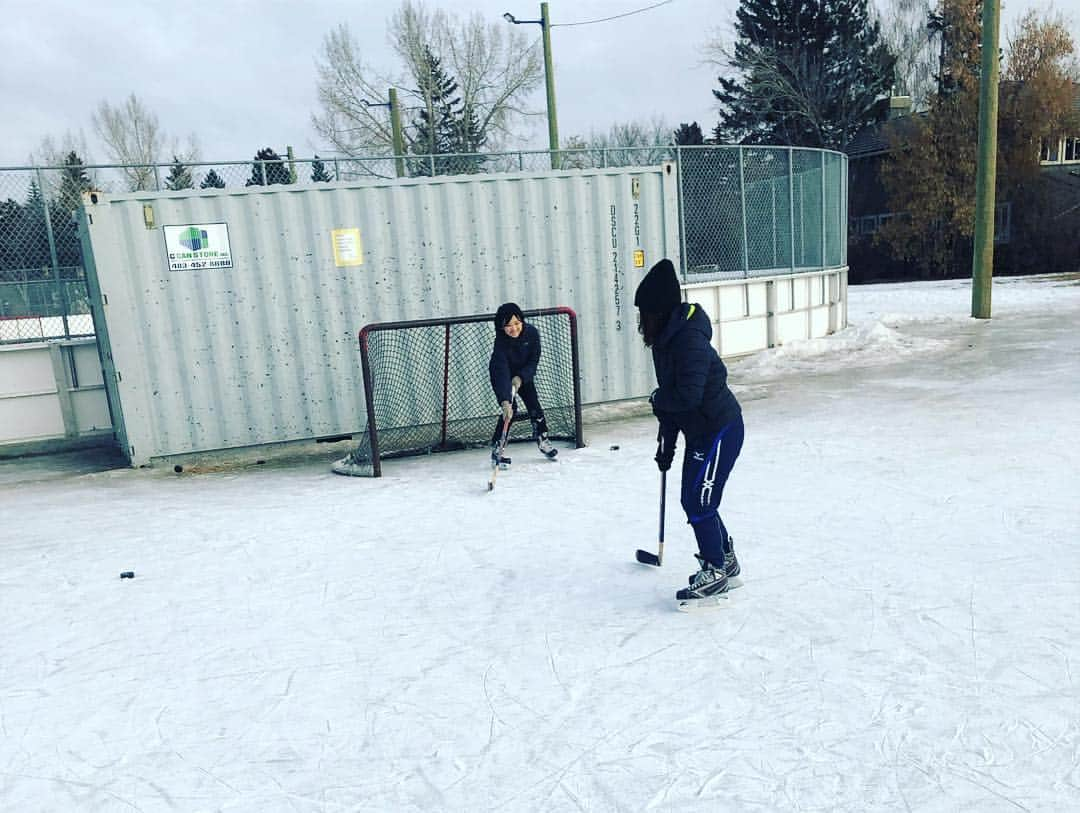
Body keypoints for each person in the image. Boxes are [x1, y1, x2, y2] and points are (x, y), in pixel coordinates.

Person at [634, 258, 744, 602]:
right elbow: (670, 401)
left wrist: (659, 400)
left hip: (719, 428)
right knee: (696, 499)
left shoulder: (689, 340)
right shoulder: (664, 342)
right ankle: (725, 559)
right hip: (699, 430)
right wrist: (666, 445)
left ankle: (715, 569)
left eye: (646, 314)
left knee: (698, 501)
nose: (641, 323)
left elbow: (686, 395)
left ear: (661, 312)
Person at [488, 302, 558, 464]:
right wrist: (505, 401)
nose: (514, 328)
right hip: (503, 375)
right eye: (508, 325)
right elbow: (501, 373)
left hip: (523, 375)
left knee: (534, 405)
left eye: (517, 323)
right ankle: (498, 447)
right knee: (510, 410)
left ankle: (543, 439)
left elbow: (534, 360)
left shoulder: (532, 334)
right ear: (501, 327)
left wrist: (521, 377)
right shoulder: (501, 345)